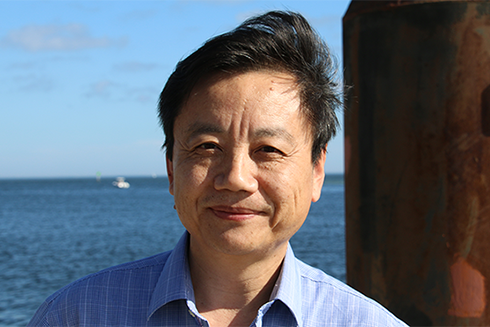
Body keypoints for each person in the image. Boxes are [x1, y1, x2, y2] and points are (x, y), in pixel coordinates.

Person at [28, 11, 408, 327]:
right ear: (172, 169)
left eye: (268, 149)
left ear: (317, 170)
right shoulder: (76, 315)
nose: (236, 178)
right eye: (207, 147)